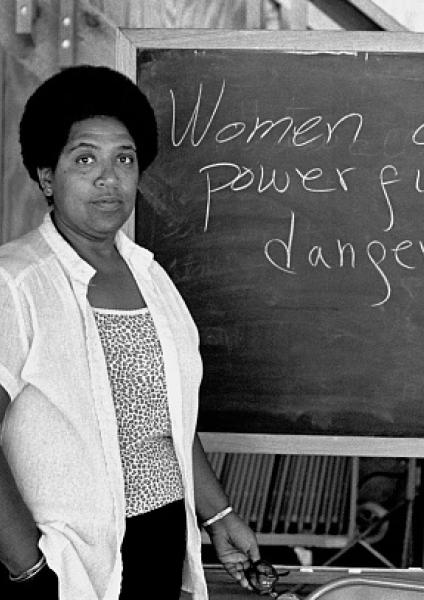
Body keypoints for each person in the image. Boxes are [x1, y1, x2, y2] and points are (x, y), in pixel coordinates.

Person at [0, 65, 260, 600]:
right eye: (84, 158)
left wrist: (219, 516)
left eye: (124, 158)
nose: (108, 177)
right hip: (67, 559)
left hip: (158, 542)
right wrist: (27, 569)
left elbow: (168, 418)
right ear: (48, 176)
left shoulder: (150, 276)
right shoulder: (17, 282)